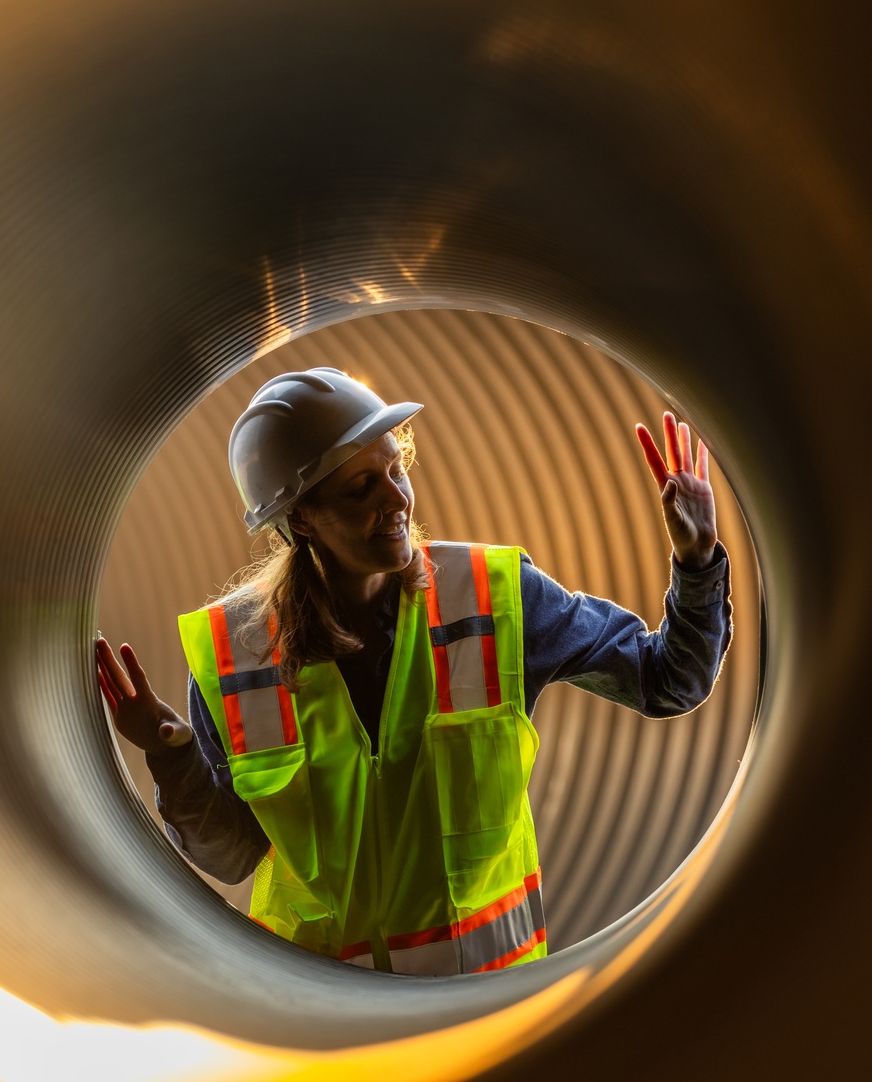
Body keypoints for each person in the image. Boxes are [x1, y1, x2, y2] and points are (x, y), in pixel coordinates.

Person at [95, 367, 731, 976]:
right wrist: (169, 752)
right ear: (300, 520)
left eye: (395, 468)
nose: (395, 497)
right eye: (360, 488)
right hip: (327, 1025)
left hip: (481, 1009)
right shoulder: (239, 655)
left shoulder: (494, 599)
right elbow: (231, 857)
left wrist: (696, 559)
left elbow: (667, 679)